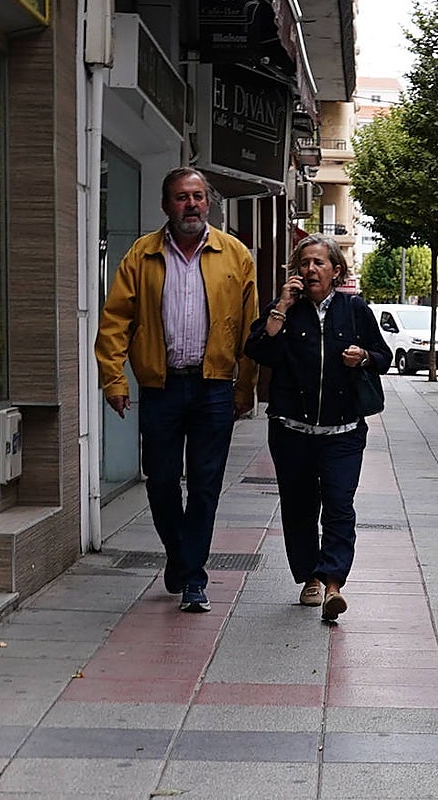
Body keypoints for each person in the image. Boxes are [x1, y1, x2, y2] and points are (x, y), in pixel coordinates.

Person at [94, 167, 258, 613]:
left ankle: (193, 578)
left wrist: (246, 387)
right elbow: (114, 323)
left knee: (205, 486)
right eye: (182, 197)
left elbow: (250, 329)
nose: (191, 205)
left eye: (199, 197)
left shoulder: (235, 255)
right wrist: (114, 379)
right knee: (161, 481)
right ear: (166, 205)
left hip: (213, 389)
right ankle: (180, 556)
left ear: (208, 203)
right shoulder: (140, 255)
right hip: (162, 387)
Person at [244, 236, 391, 621]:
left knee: (340, 507)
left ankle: (333, 584)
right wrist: (280, 307)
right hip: (291, 431)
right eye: (304, 263)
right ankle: (309, 575)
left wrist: (362, 358)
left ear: (336, 271)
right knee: (299, 508)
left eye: (318, 263)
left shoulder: (355, 309)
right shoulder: (285, 311)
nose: (310, 270)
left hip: (342, 432)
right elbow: (258, 350)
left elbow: (383, 358)